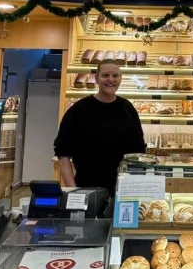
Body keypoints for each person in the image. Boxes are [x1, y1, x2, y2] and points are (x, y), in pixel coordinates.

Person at [54, 59, 146, 197]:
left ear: (120, 78)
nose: (111, 80)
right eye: (105, 75)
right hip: (87, 190)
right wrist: (74, 192)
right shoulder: (79, 110)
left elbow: (139, 151)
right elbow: (62, 154)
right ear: (96, 78)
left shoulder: (128, 108)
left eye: (115, 76)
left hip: (124, 190)